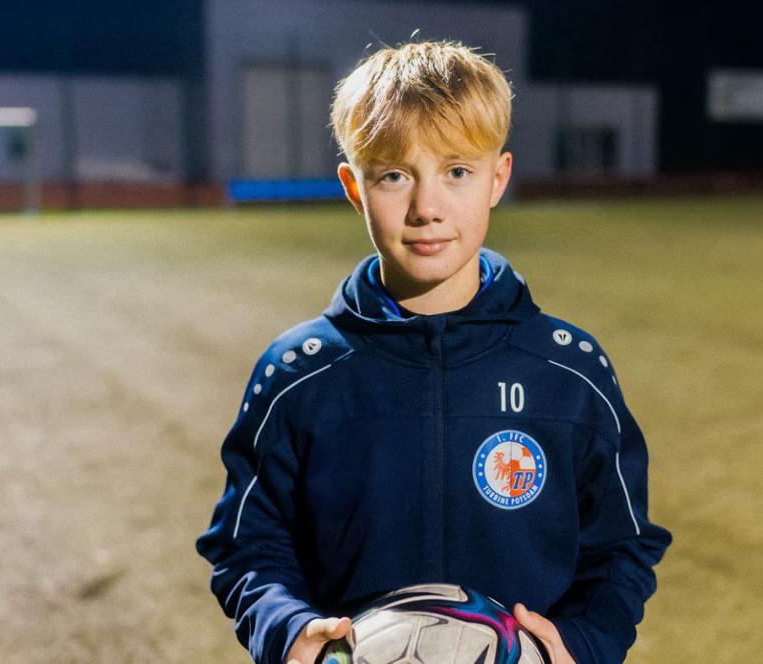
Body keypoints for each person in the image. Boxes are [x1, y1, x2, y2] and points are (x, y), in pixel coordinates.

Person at [195, 39, 671, 664]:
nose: (426, 208)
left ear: (497, 178)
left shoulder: (570, 370)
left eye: (457, 172)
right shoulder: (299, 374)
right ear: (353, 187)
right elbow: (247, 545)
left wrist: (582, 643)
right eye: (394, 176)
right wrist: (287, 630)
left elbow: (622, 546)